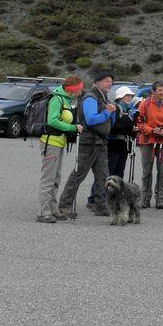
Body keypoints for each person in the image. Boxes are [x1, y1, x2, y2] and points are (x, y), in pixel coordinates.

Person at [58, 71, 117, 218]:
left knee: (103, 176)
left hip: (100, 141)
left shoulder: (103, 98)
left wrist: (111, 113)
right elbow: (90, 119)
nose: (110, 83)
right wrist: (107, 112)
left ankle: (101, 206)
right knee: (78, 174)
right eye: (107, 81)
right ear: (97, 82)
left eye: (111, 81)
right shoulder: (91, 98)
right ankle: (65, 205)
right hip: (89, 142)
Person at [36, 76, 83, 223]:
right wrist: (72, 128)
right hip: (51, 142)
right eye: (79, 89)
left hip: (58, 142)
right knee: (48, 178)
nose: (80, 92)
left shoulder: (65, 100)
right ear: (72, 90)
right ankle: (43, 212)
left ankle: (52, 209)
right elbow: (52, 121)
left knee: (56, 177)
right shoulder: (57, 99)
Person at [86, 85, 137, 209]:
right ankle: (93, 199)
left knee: (119, 173)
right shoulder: (115, 109)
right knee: (107, 173)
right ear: (120, 97)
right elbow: (111, 127)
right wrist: (129, 128)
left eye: (130, 96)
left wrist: (133, 130)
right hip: (113, 144)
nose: (129, 97)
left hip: (124, 145)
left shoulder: (129, 110)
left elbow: (127, 129)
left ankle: (115, 199)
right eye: (127, 95)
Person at [136, 81, 163, 209]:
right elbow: (139, 122)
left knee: (162, 171)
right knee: (147, 171)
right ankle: (145, 199)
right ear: (153, 92)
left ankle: (160, 199)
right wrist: (151, 130)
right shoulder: (145, 104)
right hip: (147, 141)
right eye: (160, 90)